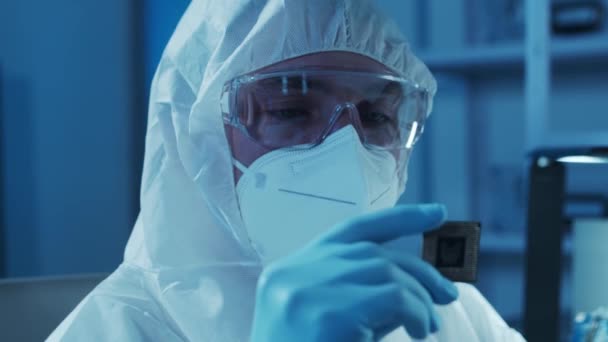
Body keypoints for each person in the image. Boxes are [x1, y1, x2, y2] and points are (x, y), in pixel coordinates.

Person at [49, 1, 525, 341]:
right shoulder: (114, 329)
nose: (347, 152)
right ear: (199, 140)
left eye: (377, 116)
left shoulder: (448, 315)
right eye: (292, 110)